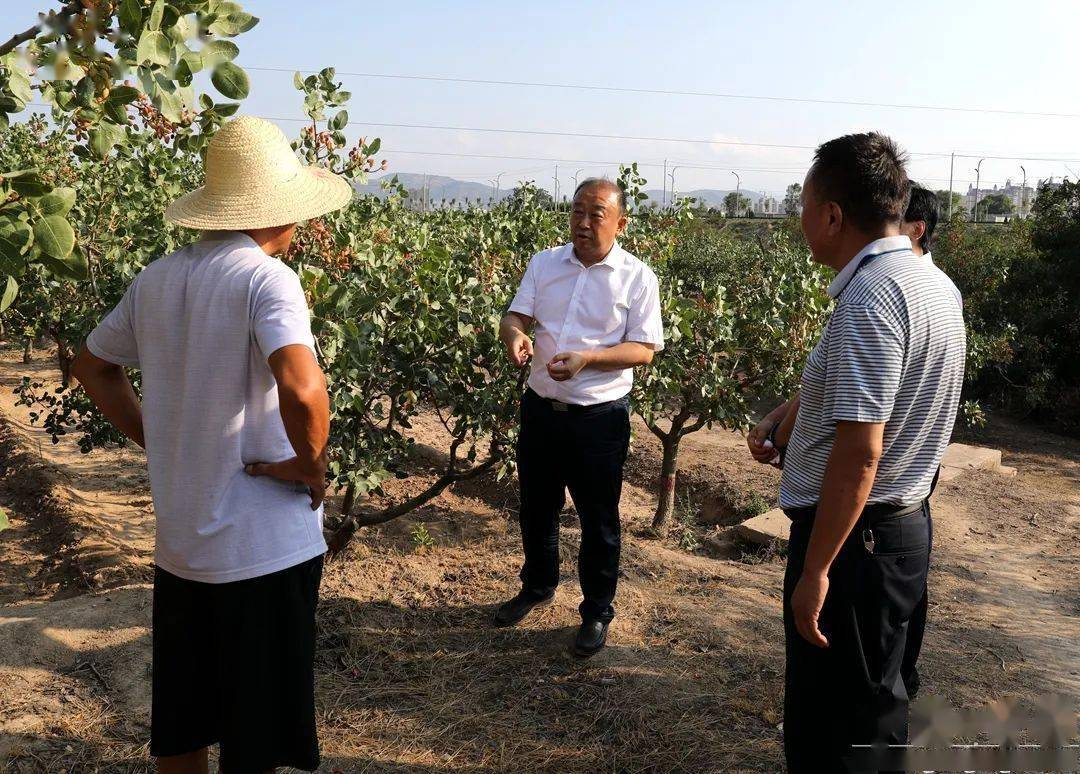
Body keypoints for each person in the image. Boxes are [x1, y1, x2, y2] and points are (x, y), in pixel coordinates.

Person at [71, 116, 353, 774]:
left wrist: (157, 437)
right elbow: (305, 389)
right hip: (263, 554)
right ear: (281, 213)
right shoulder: (267, 280)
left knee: (183, 730)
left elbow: (93, 366)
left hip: (182, 553)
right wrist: (311, 466)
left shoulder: (159, 278)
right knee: (253, 744)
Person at [750, 133, 965, 772]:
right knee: (877, 706)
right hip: (897, 532)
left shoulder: (871, 300)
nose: (801, 219)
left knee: (834, 727)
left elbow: (862, 455)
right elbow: (875, 400)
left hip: (855, 542)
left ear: (834, 216)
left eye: (805, 204)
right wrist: (790, 418)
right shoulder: (931, 284)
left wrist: (817, 569)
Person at [495, 178, 664, 657]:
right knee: (537, 507)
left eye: (596, 214)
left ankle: (595, 611)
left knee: (598, 520)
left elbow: (644, 350)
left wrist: (588, 359)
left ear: (620, 223)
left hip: (599, 419)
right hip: (541, 408)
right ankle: (538, 585)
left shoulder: (637, 278)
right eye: (577, 212)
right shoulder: (545, 264)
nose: (583, 223)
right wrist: (514, 335)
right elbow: (515, 316)